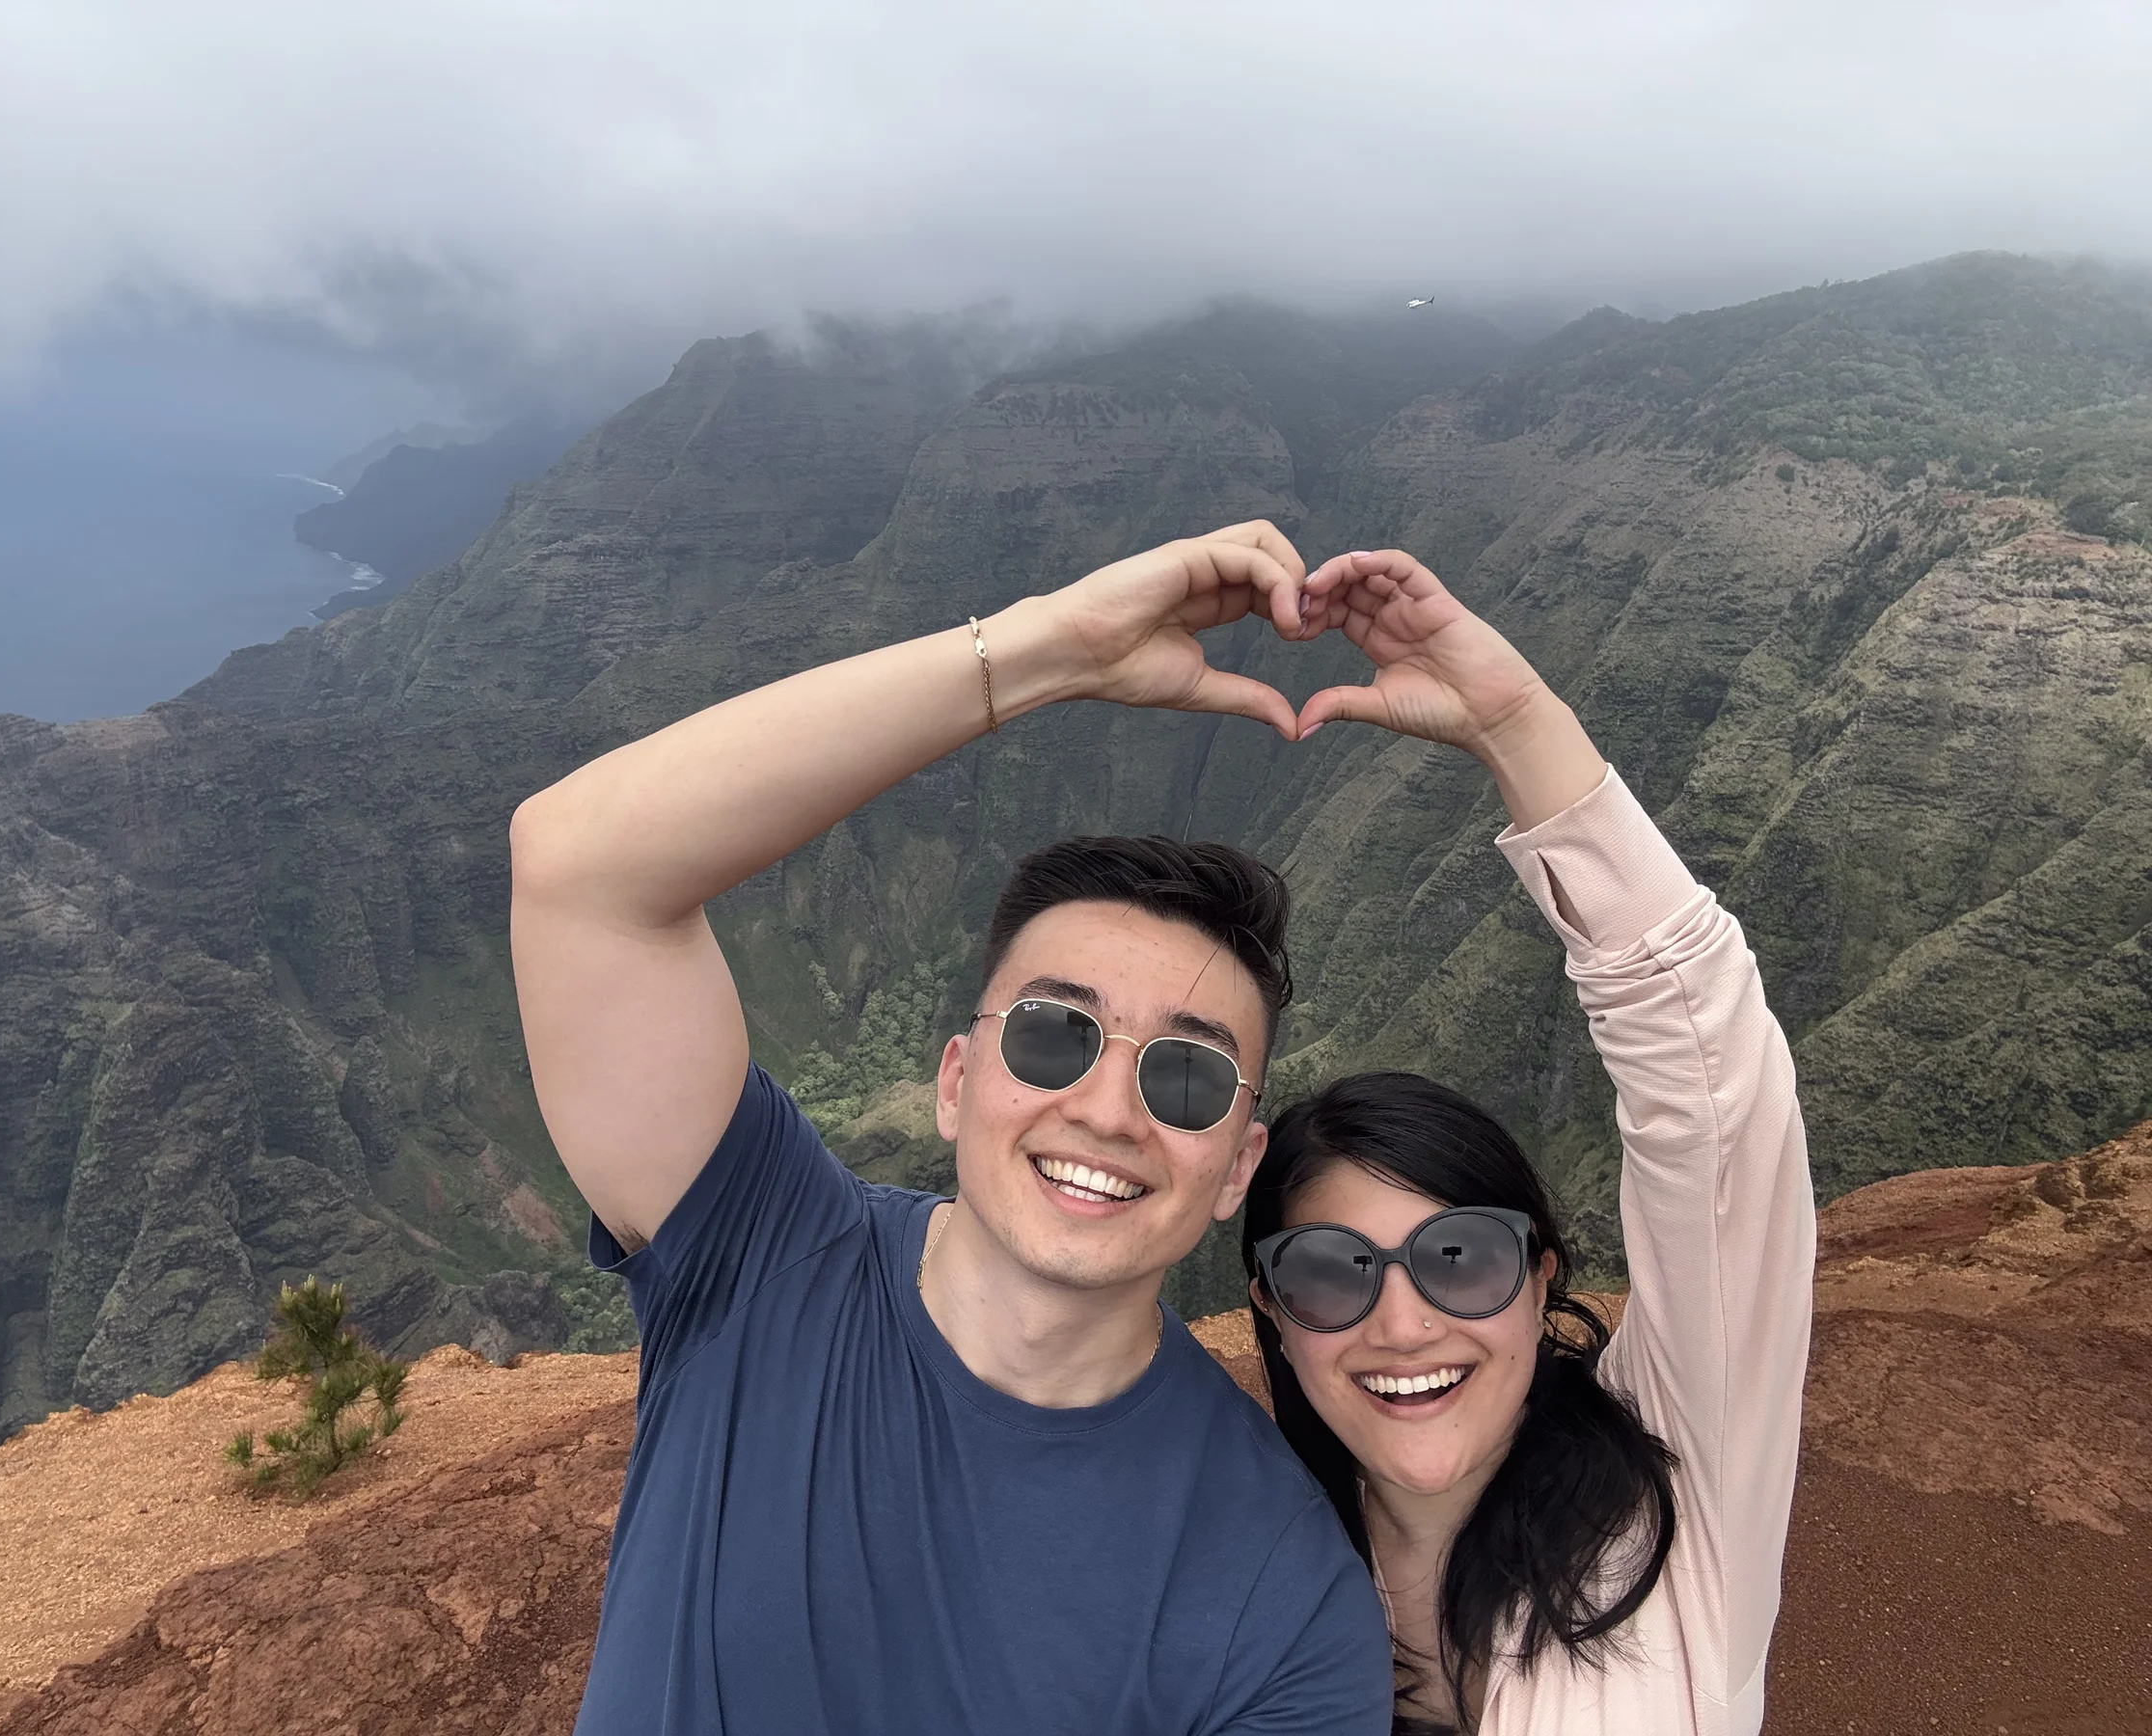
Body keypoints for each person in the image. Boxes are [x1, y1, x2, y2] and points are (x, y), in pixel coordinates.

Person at [509, 523, 1396, 1734]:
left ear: (1238, 1163)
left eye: (1186, 1078)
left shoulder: (1280, 1603)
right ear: (954, 1078)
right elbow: (578, 865)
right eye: (1052, 1035)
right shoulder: (758, 1253)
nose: (1105, 1107)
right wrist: (1046, 649)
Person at [1239, 550, 1814, 1736]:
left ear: (1542, 1273)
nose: (1402, 1323)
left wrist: (1516, 727)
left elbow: (1718, 1102)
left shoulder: (1676, 1497)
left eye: (1461, 1257)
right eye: (1331, 1272)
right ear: (1272, 1313)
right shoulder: (1234, 1580)